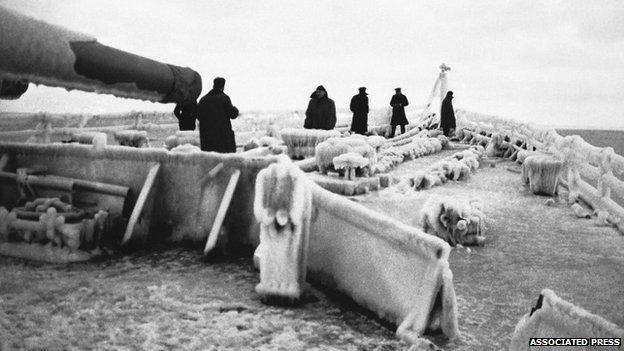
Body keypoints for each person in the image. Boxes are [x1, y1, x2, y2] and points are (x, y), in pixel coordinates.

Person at [196, 77, 239, 153]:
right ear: (222, 87)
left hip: (207, 139)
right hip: (222, 139)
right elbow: (233, 114)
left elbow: (198, 115)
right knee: (224, 161)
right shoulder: (224, 98)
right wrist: (235, 109)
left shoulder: (203, 100)